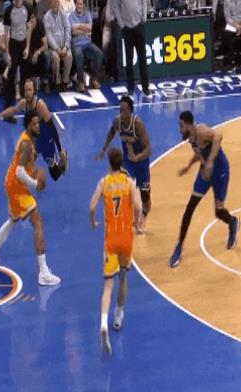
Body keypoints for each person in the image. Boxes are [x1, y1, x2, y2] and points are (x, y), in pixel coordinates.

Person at [0, 110, 61, 287]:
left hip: (11, 183)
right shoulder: (26, 144)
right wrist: (35, 184)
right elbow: (20, 172)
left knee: (12, 221)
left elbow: (25, 168)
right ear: (28, 126)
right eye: (34, 124)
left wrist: (36, 172)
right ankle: (43, 273)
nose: (38, 126)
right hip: (16, 186)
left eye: (38, 123)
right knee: (37, 221)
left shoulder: (29, 139)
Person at [169, 111, 240, 268]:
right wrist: (188, 167)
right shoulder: (191, 139)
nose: (180, 129)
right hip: (205, 173)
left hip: (220, 170)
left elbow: (218, 136)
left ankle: (232, 221)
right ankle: (179, 246)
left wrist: (210, 162)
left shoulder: (200, 130)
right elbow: (199, 153)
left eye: (181, 126)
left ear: (189, 124)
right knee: (189, 209)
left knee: (219, 212)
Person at [89, 147, 141, 355]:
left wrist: (93, 221)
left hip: (110, 239)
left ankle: (103, 322)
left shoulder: (104, 183)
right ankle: (118, 315)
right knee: (124, 278)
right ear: (122, 163)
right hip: (126, 238)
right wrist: (136, 224)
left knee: (108, 286)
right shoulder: (129, 183)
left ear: (109, 163)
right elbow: (138, 206)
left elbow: (92, 207)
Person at [0, 78, 68, 181]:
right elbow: (12, 110)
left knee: (54, 175)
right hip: (35, 141)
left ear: (34, 91)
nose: (27, 93)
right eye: (26, 90)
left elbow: (53, 129)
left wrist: (60, 150)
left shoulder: (40, 105)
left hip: (47, 141)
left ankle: (63, 164)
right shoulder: (23, 103)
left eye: (30, 90)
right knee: (26, 164)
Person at [96, 95, 151, 232]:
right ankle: (126, 217)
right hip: (128, 162)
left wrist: (137, 157)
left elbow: (148, 149)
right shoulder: (117, 121)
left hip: (141, 162)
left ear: (131, 111)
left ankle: (144, 216)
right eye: (120, 110)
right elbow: (111, 132)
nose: (121, 113)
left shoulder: (138, 125)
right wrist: (104, 149)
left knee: (145, 196)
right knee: (124, 189)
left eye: (124, 110)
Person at [112, 0, 151, 99]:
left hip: (139, 25)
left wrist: (144, 17)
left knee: (142, 59)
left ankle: (146, 88)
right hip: (127, 28)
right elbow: (115, 7)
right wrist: (122, 25)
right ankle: (130, 88)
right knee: (129, 61)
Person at [68, 0, 103, 93]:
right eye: (77, 4)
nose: (79, 6)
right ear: (75, 4)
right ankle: (81, 82)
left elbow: (89, 28)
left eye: (81, 4)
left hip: (87, 44)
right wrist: (84, 29)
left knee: (99, 53)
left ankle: (94, 79)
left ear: (84, 5)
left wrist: (78, 26)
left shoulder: (87, 14)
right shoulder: (71, 16)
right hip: (76, 45)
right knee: (79, 55)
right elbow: (73, 32)